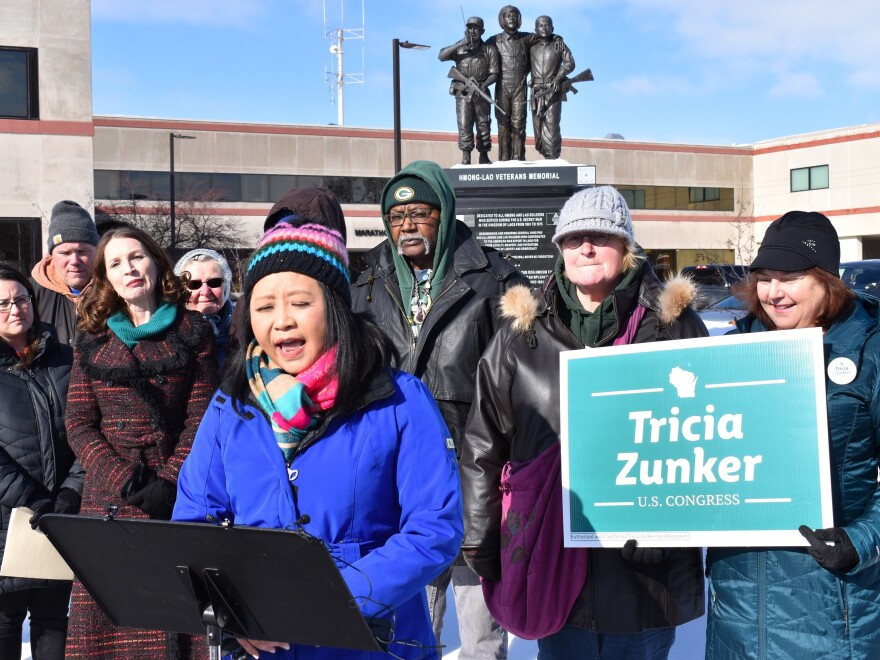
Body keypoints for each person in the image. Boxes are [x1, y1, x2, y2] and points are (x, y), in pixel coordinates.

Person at [173, 222, 463, 659]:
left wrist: (327, 599)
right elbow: (195, 523)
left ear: (335, 307)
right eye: (265, 306)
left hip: (372, 641)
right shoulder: (230, 405)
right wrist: (231, 612)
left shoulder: (399, 398)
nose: (282, 320)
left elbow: (435, 528)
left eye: (301, 302)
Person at [460, 185, 707, 660]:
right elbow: (482, 444)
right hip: (550, 562)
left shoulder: (675, 329)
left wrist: (669, 527)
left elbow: (702, 437)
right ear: (560, 250)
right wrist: (481, 536)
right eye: (573, 239)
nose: (586, 248)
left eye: (601, 236)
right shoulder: (522, 336)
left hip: (643, 583)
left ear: (627, 247)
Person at [351, 160, 528, 659]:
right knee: (407, 626)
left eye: (419, 213)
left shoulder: (493, 279)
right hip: (396, 477)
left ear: (445, 214)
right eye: (396, 216)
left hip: (475, 475)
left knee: (480, 635)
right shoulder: (365, 283)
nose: (406, 225)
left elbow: (519, 379)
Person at [706, 211, 880, 658]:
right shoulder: (731, 353)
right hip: (739, 609)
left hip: (832, 606)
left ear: (827, 280)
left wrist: (860, 541)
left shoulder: (870, 352)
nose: (773, 293)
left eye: (790, 277)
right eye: (764, 277)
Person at [64, 225, 218, 659]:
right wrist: (123, 480)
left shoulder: (193, 330)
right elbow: (78, 422)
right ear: (106, 277)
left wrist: (170, 481)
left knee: (175, 624)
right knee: (108, 630)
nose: (129, 269)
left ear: (156, 262)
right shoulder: (92, 338)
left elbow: (202, 417)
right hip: (107, 500)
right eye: (115, 263)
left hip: (175, 498)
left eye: (137, 257)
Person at [0, 264, 83, 660]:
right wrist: (29, 495)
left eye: (20, 299)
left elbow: (89, 428)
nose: (14, 309)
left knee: (54, 626)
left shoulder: (67, 358)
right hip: (5, 526)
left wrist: (72, 490)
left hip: (60, 521)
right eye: (2, 304)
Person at [30, 200, 100, 348]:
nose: (74, 260)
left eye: (82, 251)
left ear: (97, 252)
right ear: (51, 256)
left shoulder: (115, 289)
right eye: (65, 253)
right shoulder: (28, 294)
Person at [438, 16, 500, 165]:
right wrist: (461, 43)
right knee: (464, 125)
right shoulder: (459, 48)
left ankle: (484, 155)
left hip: (482, 92)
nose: (472, 31)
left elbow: (495, 73)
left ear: (482, 31)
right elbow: (441, 56)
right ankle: (466, 156)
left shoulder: (489, 50)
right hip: (463, 94)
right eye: (470, 28)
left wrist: (483, 86)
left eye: (476, 28)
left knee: (484, 125)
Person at [174, 248, 235, 370]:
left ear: (225, 286)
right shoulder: (170, 332)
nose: (205, 291)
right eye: (194, 284)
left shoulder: (244, 326)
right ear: (182, 290)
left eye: (214, 282)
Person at [486, 6, 533, 161]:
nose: (511, 18)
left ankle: (518, 158)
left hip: (520, 86)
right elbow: (479, 53)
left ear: (519, 20)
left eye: (515, 15)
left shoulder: (527, 38)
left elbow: (546, 37)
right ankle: (504, 159)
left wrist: (557, 39)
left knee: (519, 123)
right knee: (503, 123)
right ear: (502, 19)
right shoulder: (493, 40)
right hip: (502, 86)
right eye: (508, 15)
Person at [529, 16, 575, 160]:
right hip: (536, 92)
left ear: (552, 29)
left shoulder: (558, 44)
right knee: (538, 128)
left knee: (551, 125)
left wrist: (558, 78)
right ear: (535, 29)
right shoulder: (531, 47)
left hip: (552, 91)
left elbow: (570, 63)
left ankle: (552, 157)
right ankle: (544, 152)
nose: (544, 27)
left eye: (547, 25)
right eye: (540, 25)